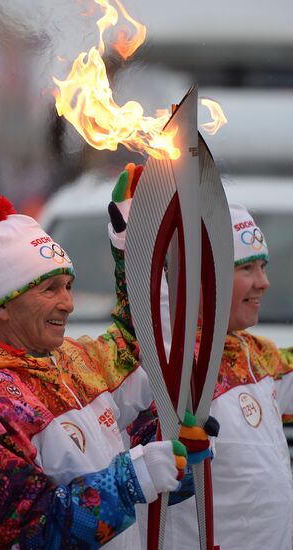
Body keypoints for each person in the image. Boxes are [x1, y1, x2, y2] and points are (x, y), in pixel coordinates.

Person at [0, 191, 213, 549]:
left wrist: (134, 245)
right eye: (50, 289)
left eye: (68, 286)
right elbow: (33, 531)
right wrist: (134, 477)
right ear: (0, 305)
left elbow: (145, 343)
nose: (67, 303)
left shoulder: (74, 363)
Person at [108, 166, 293, 550]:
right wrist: (136, 242)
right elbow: (149, 322)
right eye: (246, 268)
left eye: (263, 266)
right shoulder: (170, 362)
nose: (264, 282)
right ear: (206, 276)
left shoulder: (257, 356)